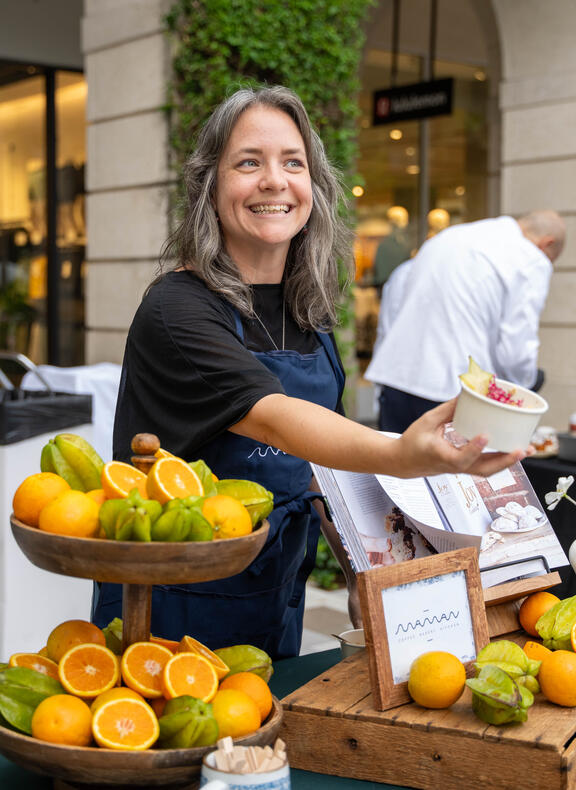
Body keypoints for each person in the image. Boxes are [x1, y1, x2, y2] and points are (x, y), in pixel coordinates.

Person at [91, 86, 528, 659]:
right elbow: (275, 422)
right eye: (249, 162)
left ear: (313, 189)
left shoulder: (308, 313)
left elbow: (324, 465)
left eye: (292, 163)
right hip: (173, 601)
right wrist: (405, 452)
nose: (274, 180)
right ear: (211, 186)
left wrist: (359, 571)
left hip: (275, 593)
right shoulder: (177, 309)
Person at [365, 211, 566, 433]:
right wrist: (524, 388)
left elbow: (395, 303)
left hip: (396, 378)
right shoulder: (529, 257)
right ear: (547, 244)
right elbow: (515, 352)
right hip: (454, 391)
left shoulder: (448, 237)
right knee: (451, 468)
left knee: (395, 467)